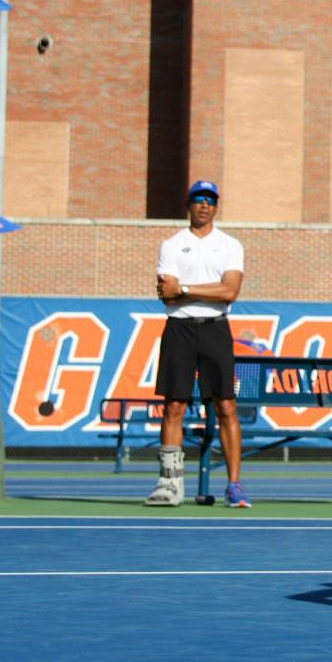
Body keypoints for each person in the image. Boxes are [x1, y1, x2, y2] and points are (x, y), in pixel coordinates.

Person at [147, 180, 248, 508]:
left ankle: (234, 485)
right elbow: (168, 292)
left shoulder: (230, 245)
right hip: (180, 329)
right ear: (188, 205)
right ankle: (170, 484)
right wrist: (202, 289)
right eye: (198, 200)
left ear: (216, 207)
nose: (205, 205)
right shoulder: (172, 244)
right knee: (174, 405)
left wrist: (187, 290)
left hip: (215, 329)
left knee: (225, 407)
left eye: (211, 201)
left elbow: (229, 291)